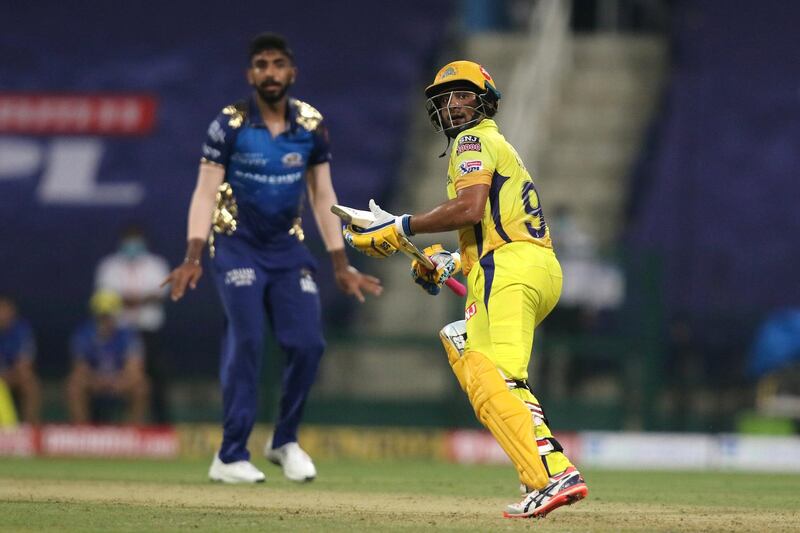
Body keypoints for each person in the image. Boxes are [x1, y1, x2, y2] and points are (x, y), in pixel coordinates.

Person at [343, 60, 588, 518]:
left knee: (498, 375)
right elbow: (493, 220)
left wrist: (402, 226)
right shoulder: (494, 145)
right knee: (463, 345)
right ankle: (549, 471)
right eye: (447, 97)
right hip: (524, 266)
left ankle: (551, 475)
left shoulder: (472, 141)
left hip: (510, 267)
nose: (455, 104)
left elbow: (471, 208)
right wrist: (450, 261)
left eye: (464, 94)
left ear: (485, 101)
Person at [162, 32, 382, 484]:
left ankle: (284, 440)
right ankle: (229, 455)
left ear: (291, 72)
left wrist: (341, 263)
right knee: (246, 341)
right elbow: (204, 192)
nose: (270, 73)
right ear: (251, 75)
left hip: (286, 248)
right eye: (261, 65)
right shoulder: (229, 124)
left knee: (308, 345)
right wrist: (193, 256)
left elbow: (323, 196)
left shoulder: (311, 125)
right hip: (237, 245)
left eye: (277, 64)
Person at [95, 225, 171, 423]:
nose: (132, 245)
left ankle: (160, 424)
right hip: (117, 332)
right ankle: (99, 425)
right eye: (128, 240)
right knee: (111, 377)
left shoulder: (156, 265)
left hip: (149, 330)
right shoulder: (109, 266)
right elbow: (106, 297)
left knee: (154, 378)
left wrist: (128, 299)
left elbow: (160, 294)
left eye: (135, 240)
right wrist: (141, 298)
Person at [65, 290, 150, 424]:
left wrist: (117, 381)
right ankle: (81, 430)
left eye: (108, 315)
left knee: (141, 385)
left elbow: (134, 367)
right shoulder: (83, 335)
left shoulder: (128, 335)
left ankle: (133, 429)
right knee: (74, 384)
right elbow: (80, 368)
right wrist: (97, 380)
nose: (105, 320)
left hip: (119, 380)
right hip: (94, 380)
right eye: (102, 315)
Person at [0, 295, 41, 425]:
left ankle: (29, 428)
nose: (2, 314)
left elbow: (24, 364)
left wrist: (5, 376)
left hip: (12, 376)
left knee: (28, 379)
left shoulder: (21, 330)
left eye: (5, 310)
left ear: (13, 311)